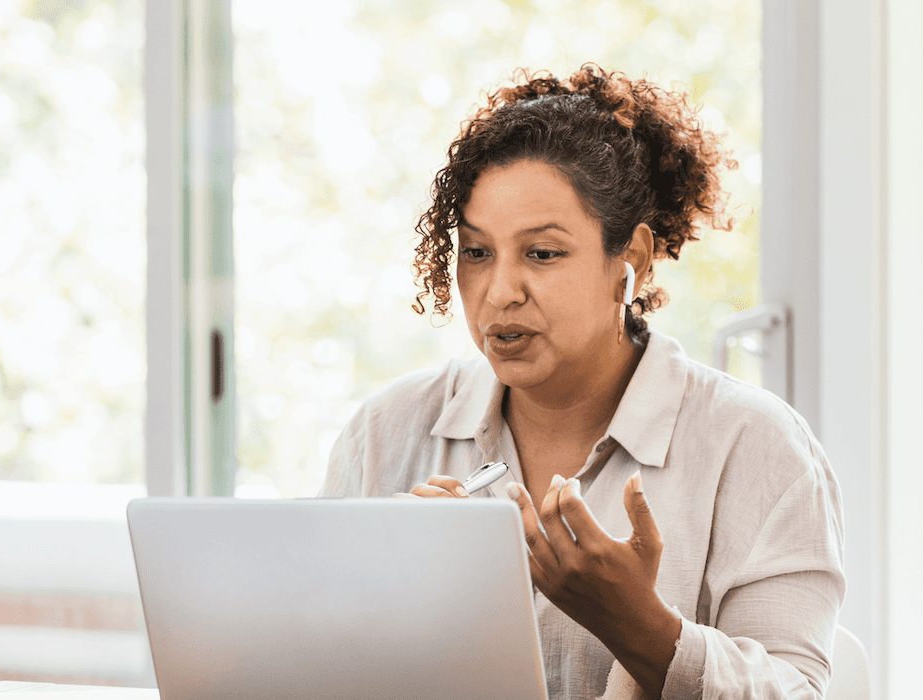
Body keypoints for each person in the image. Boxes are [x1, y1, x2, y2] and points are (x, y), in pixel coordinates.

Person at [322, 65, 844, 700]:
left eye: (542, 253)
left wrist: (645, 630)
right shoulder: (384, 432)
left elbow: (800, 691)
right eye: (477, 252)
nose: (499, 292)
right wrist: (376, 600)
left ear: (631, 262)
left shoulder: (754, 444)